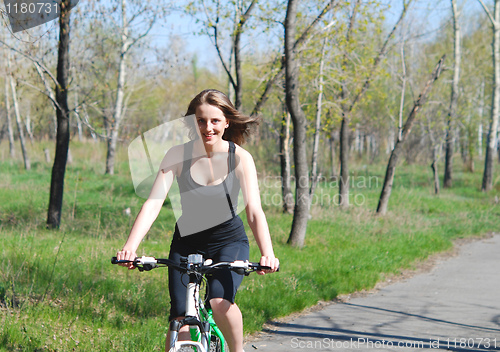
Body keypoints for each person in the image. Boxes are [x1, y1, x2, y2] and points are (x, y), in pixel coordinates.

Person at [116, 89, 279, 352]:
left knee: (219, 302)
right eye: (201, 120)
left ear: (227, 122)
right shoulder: (176, 155)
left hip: (228, 242)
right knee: (179, 317)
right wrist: (130, 247)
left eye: (215, 120)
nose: (207, 127)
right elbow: (154, 202)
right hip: (186, 242)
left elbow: (254, 212)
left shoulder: (239, 158)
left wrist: (267, 253)